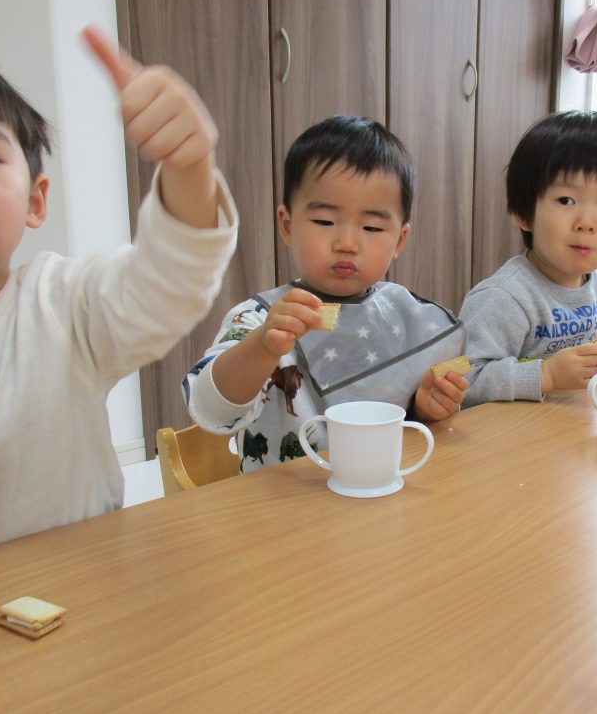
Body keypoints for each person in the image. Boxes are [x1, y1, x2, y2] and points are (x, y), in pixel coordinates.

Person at [0, 29, 238, 556]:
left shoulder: (65, 307)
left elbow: (171, 280)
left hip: (78, 593)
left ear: (35, 200)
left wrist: (190, 168)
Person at [185, 115, 467, 470]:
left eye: (372, 227)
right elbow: (211, 410)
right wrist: (263, 347)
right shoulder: (261, 318)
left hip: (378, 488)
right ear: (288, 226)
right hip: (286, 499)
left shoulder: (401, 312)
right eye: (324, 222)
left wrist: (423, 408)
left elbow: (399, 429)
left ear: (400, 240)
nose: (347, 243)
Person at [459, 110, 597, 407]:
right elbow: (465, 382)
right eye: (566, 200)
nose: (586, 222)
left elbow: (590, 342)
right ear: (524, 213)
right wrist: (546, 375)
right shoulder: (503, 298)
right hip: (506, 434)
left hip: (564, 428)